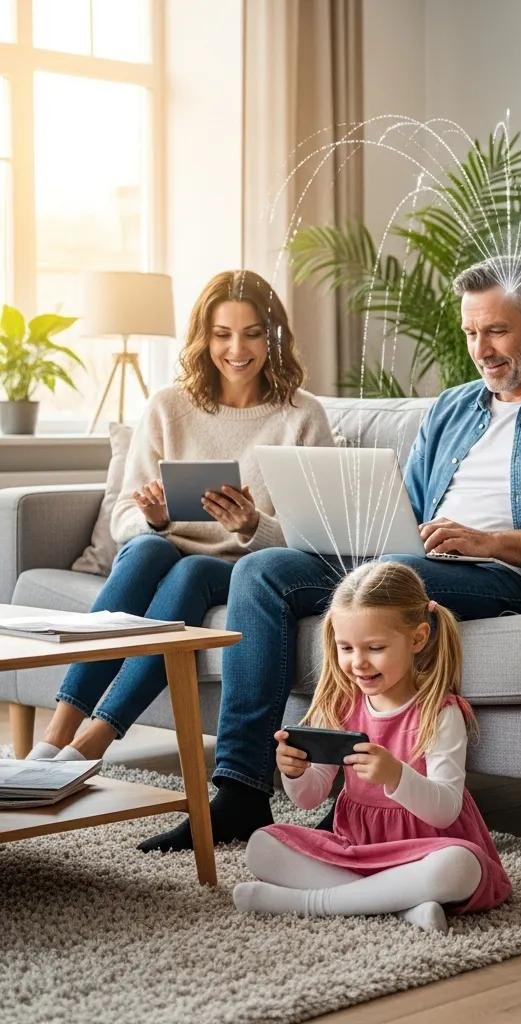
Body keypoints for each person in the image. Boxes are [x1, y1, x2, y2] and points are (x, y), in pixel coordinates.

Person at [139, 256, 521, 853]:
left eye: (497, 331)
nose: (482, 349)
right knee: (259, 569)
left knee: (376, 575)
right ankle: (242, 790)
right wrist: (367, 524)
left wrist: (485, 541)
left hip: (498, 574)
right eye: (471, 332)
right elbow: (406, 508)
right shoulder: (452, 408)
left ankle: (348, 800)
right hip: (407, 560)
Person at [26, 270, 334, 763]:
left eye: (253, 333)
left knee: (191, 570)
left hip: (241, 567)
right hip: (164, 547)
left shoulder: (302, 415)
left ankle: (94, 740)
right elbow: (124, 514)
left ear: (272, 337)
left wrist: (251, 526)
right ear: (203, 338)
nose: (238, 349)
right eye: (222, 334)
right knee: (149, 549)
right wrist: (154, 519)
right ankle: (55, 736)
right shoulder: (169, 406)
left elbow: (312, 535)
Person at [233, 560, 510, 930]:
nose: (358, 662)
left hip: (428, 851)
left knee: (461, 867)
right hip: (358, 849)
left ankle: (312, 902)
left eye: (375, 647)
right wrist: (294, 773)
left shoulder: (439, 712)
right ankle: (403, 906)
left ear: (417, 639)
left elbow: (445, 810)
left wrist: (396, 775)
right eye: (346, 648)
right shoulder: (340, 705)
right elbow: (308, 799)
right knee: (262, 845)